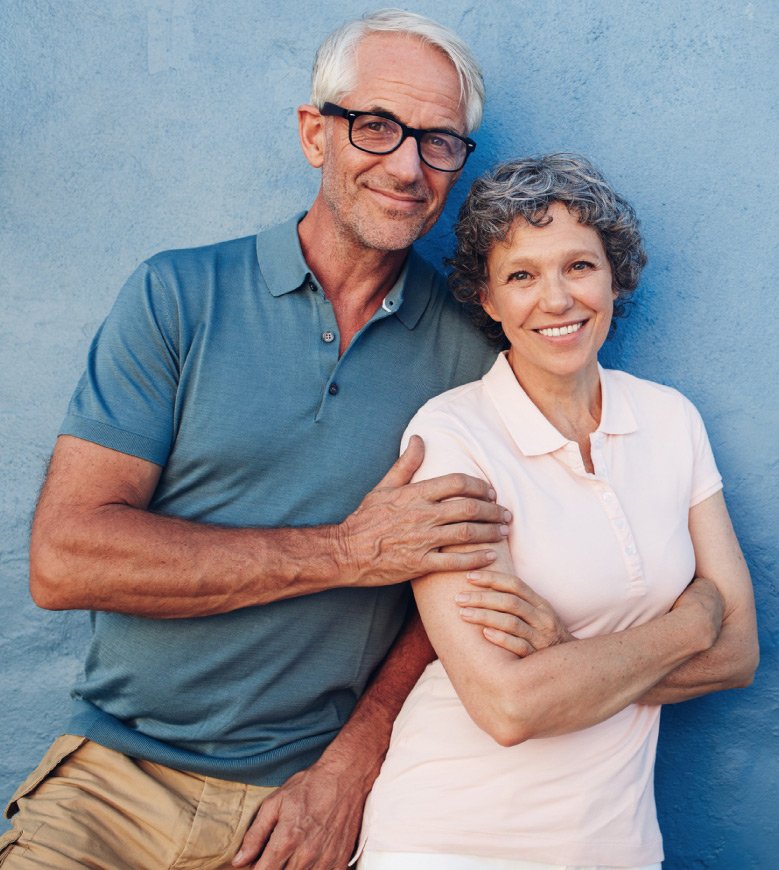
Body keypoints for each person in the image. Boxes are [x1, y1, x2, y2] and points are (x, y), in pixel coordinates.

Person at [0, 11, 530, 869]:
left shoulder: (476, 353)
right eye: (377, 126)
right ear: (313, 133)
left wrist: (357, 759)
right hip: (113, 783)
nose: (407, 165)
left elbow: (468, 575)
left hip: (308, 800)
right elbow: (66, 560)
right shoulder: (178, 295)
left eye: (439, 141)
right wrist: (348, 552)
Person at [356, 154, 759, 869]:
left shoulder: (670, 420)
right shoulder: (452, 436)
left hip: (613, 846)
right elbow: (508, 708)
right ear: (487, 299)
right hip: (446, 840)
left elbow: (737, 656)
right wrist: (692, 621)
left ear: (613, 276)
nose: (556, 300)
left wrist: (566, 660)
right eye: (521, 275)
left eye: (578, 266)